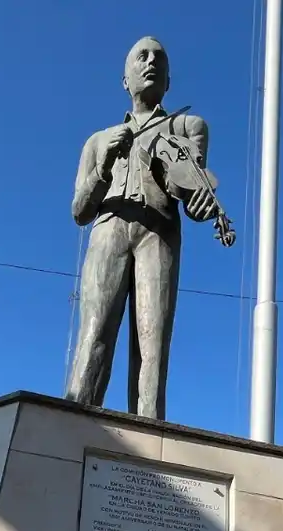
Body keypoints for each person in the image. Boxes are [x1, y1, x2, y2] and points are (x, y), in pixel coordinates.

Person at [63, 37, 219, 419]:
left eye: (160, 58)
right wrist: (103, 167)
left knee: (152, 348)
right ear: (125, 79)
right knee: (93, 338)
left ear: (168, 81)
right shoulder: (97, 140)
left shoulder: (187, 125)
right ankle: (72, 430)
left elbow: (192, 188)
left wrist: (201, 204)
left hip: (159, 233)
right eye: (141, 56)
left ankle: (148, 445)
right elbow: (80, 212)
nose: (151, 62)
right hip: (108, 230)